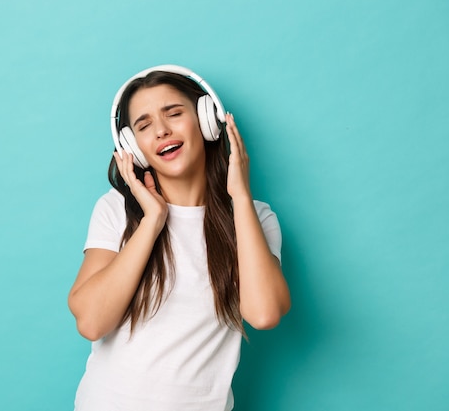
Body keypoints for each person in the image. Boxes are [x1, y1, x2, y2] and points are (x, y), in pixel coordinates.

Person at [68, 65, 291, 411]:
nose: (161, 130)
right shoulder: (116, 209)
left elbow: (264, 313)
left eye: (174, 113)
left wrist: (241, 198)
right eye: (144, 125)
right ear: (133, 146)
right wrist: (153, 221)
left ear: (206, 121)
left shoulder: (255, 218)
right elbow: (92, 321)